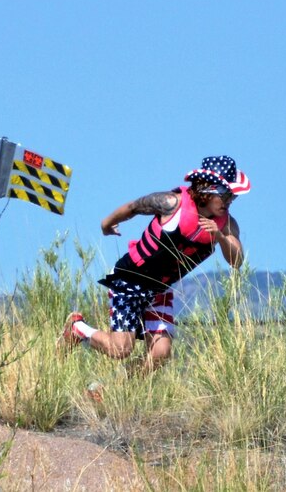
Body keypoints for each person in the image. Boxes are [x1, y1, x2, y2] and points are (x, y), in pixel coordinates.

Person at [58, 155, 251, 372]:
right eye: (225, 194)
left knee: (161, 353)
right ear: (207, 190)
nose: (229, 201)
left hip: (159, 289)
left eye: (233, 195)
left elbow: (237, 260)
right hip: (129, 280)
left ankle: (116, 388)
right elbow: (134, 207)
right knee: (120, 349)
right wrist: (107, 224)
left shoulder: (226, 225)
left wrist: (221, 238)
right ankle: (77, 329)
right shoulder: (172, 203)